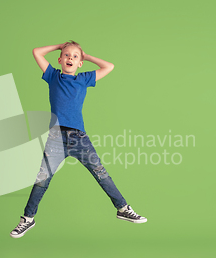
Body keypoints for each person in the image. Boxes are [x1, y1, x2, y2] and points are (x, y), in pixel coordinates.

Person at [10, 41, 146, 238]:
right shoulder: (53, 76)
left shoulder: (84, 79)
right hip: (56, 138)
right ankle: (28, 219)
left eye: (75, 56)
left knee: (101, 174)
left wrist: (87, 56)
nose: (70, 58)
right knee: (42, 180)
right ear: (60, 59)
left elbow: (109, 66)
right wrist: (58, 45)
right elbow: (36, 52)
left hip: (79, 138)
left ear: (80, 62)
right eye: (66, 55)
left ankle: (123, 208)